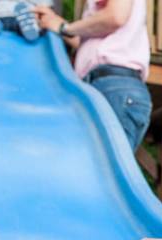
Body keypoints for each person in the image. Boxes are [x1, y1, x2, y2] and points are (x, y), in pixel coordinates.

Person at [34, 0, 152, 150]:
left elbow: (116, 17)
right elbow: (89, 42)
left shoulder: (113, 12)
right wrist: (57, 23)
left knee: (105, 168)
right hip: (103, 84)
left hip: (114, 85)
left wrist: (65, 28)